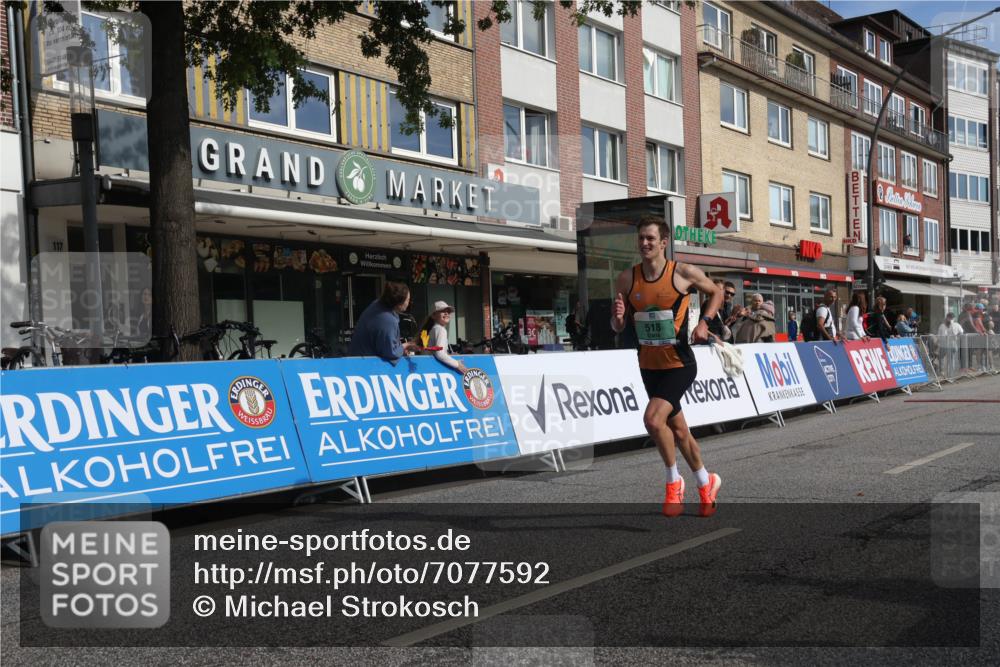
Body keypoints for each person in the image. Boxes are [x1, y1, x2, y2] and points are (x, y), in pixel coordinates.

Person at [611, 217, 722, 518]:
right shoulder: (627, 279)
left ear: (663, 242)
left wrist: (704, 323)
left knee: (652, 419)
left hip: (679, 363)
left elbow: (716, 292)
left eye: (650, 238)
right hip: (649, 365)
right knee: (680, 431)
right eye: (641, 238)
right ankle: (707, 482)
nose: (644, 243)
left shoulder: (682, 273)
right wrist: (619, 319)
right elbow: (617, 325)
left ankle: (674, 482)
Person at [348, 281, 420, 362]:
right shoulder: (388, 320)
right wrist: (406, 346)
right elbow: (390, 353)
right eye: (408, 300)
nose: (409, 303)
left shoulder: (377, 305)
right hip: (365, 363)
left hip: (357, 359)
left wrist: (401, 348)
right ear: (399, 303)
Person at [419, 301, 468, 373]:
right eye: (442, 311)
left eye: (448, 311)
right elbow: (440, 354)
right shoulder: (440, 329)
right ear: (434, 315)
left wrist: (449, 355)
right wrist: (457, 364)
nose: (446, 313)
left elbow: (435, 352)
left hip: (427, 369)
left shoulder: (434, 328)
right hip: (433, 369)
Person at [937, 312, 963, 377]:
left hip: (946, 344)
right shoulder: (956, 325)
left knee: (943, 358)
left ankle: (944, 372)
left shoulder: (943, 325)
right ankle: (948, 373)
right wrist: (956, 337)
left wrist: (956, 337)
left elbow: (939, 336)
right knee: (949, 359)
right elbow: (961, 332)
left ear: (946, 318)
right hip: (949, 344)